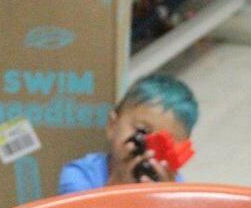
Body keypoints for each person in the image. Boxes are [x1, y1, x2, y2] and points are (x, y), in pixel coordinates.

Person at [57, 74, 198, 194]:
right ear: (112, 125)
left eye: (165, 144)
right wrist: (117, 184)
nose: (150, 150)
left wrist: (169, 199)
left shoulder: (173, 183)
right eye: (142, 131)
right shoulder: (79, 175)